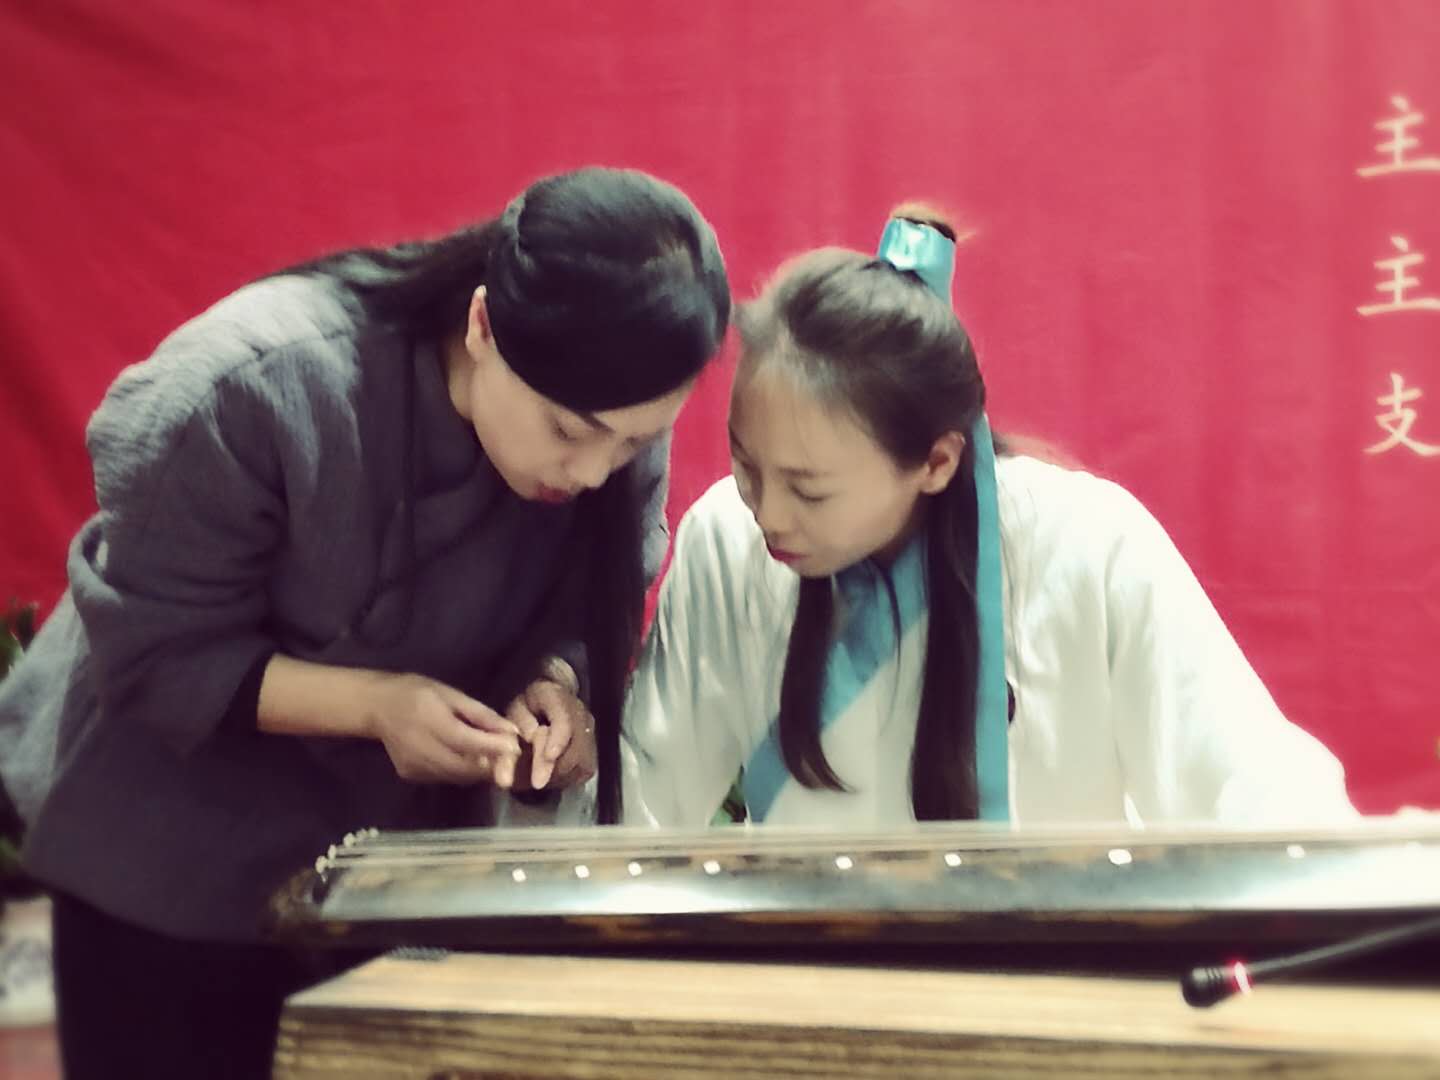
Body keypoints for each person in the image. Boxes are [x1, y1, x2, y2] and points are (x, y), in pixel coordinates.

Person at [0, 166, 730, 1076]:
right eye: (567, 431)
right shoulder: (254, 384)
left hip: (390, 872)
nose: (592, 472)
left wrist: (557, 685)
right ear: (481, 326)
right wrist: (379, 706)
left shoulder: (616, 419)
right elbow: (157, 650)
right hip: (166, 847)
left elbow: (597, 602)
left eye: (633, 442)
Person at [621, 205, 1354, 830]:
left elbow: (1256, 784)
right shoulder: (726, 537)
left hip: (1055, 948)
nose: (768, 515)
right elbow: (645, 792)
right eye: (747, 467)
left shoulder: (1085, 544)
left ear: (935, 462)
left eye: (809, 491)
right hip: (814, 948)